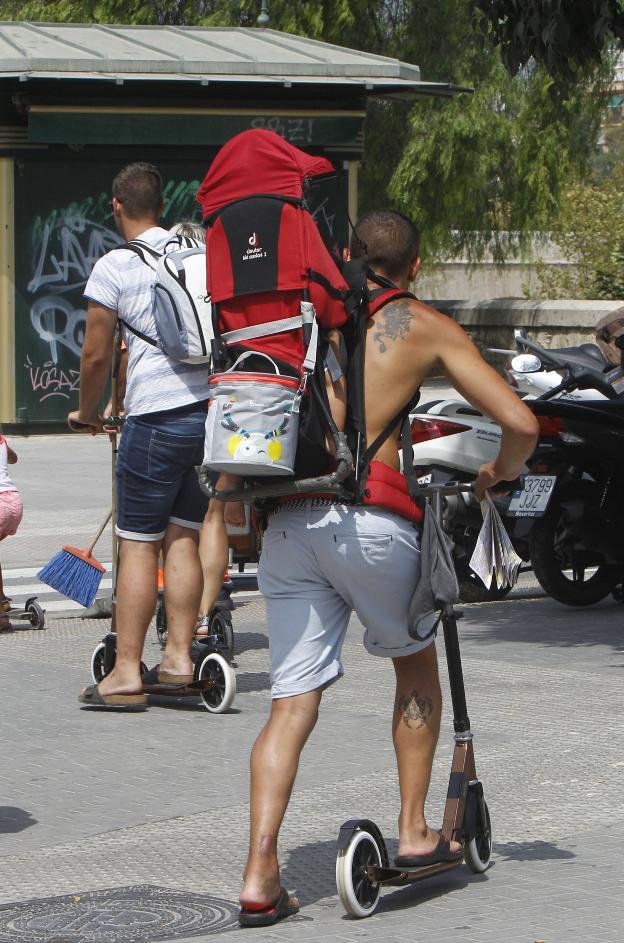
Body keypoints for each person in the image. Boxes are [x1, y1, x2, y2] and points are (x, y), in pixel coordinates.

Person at [238, 209, 539, 925]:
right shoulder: (420, 323)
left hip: (289, 523)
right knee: (414, 664)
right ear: (415, 262)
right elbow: (521, 424)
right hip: (370, 521)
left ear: (344, 254)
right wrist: (496, 471)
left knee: (290, 703)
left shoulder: (303, 318)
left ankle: (258, 873)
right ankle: (412, 827)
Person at [69, 163, 212, 709]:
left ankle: (127, 669)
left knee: (137, 543)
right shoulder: (196, 254)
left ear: (116, 206)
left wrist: (87, 413)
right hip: (208, 416)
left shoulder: (115, 266)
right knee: (184, 537)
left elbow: (97, 353)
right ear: (162, 201)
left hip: (153, 420)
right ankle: (178, 659)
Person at [0, 434, 23, 629]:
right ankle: (2, 601)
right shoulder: (1, 439)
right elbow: (13, 459)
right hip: (14, 501)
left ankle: (1, 615)